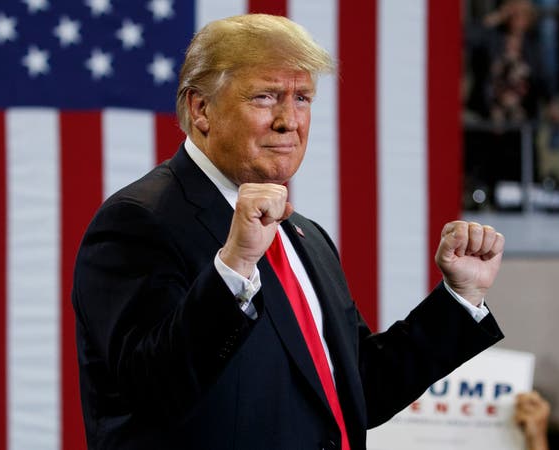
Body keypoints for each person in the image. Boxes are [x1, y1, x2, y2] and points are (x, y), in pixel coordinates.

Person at [72, 14, 505, 450]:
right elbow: (151, 390)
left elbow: (357, 391)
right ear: (201, 109)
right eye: (265, 97)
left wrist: (458, 298)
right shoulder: (138, 220)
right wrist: (235, 267)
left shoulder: (305, 237)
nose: (289, 120)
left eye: (302, 98)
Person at [465, 0, 559, 209]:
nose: (518, 19)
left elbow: (543, 79)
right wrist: (494, 19)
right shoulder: (492, 39)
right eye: (514, 13)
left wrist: (552, 104)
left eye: (523, 14)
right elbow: (467, 38)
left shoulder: (532, 46)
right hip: (492, 122)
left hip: (521, 123)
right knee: (491, 174)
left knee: (521, 176)